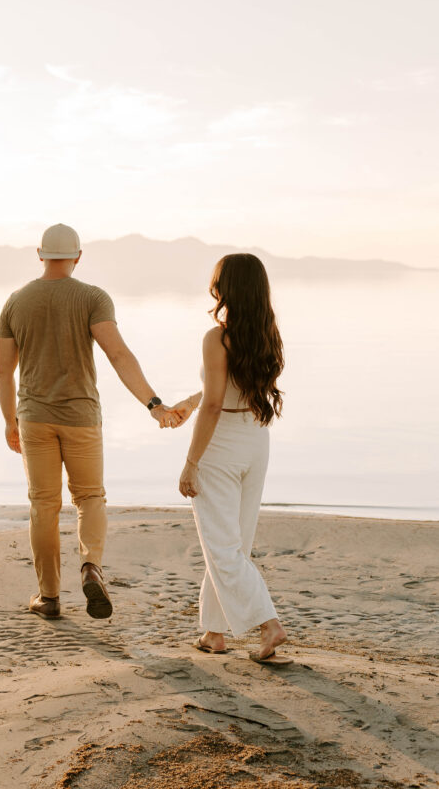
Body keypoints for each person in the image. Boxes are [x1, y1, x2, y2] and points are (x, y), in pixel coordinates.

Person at [0, 223, 180, 621]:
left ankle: (49, 596)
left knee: (43, 505)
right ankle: (91, 566)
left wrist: (10, 422)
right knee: (90, 497)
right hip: (81, 418)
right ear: (78, 257)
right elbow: (118, 355)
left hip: (34, 418)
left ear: (39, 254)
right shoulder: (92, 298)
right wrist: (154, 403)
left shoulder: (15, 302)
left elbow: (2, 373)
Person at [173, 253, 290, 664]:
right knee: (233, 545)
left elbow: (215, 404)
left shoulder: (216, 337)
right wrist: (190, 402)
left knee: (222, 548)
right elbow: (222, 392)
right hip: (256, 441)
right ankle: (213, 633)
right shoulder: (266, 334)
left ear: (226, 288)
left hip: (220, 446)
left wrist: (191, 462)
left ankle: (268, 623)